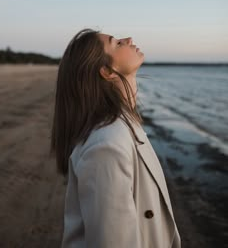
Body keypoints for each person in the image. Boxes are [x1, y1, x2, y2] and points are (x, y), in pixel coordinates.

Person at [50, 28, 181, 248]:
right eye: (117, 43)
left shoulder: (122, 125)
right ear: (107, 71)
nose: (128, 39)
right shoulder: (107, 144)